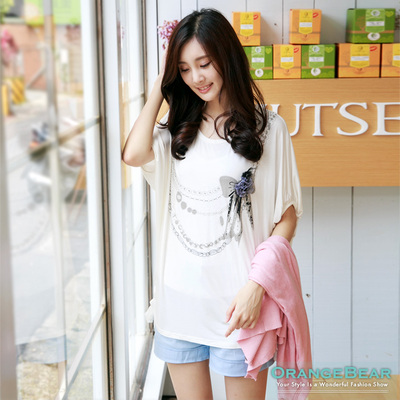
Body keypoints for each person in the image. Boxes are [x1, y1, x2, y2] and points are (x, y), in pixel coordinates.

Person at [123, 8, 302, 400]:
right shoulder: (176, 132)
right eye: (184, 69)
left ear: (227, 58)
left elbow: (287, 217)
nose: (196, 78)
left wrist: (257, 287)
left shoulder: (268, 129)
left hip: (240, 305)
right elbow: (133, 154)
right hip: (179, 303)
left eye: (204, 64)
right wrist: (159, 88)